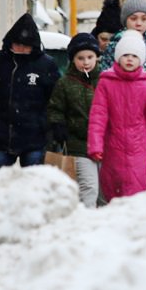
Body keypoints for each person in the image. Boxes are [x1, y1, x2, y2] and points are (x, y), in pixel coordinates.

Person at [87, 30, 146, 203]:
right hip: (112, 149)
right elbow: (98, 117)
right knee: (112, 192)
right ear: (118, 56)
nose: (129, 59)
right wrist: (95, 145)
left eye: (134, 56)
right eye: (125, 55)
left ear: (140, 59)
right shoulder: (106, 83)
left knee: (136, 194)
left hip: (139, 149)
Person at [0, 12, 60, 171]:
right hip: (2, 137)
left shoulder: (46, 65)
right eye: (17, 44)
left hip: (35, 138)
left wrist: (44, 126)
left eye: (26, 45)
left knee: (33, 186)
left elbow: (55, 99)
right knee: (1, 187)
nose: (21, 48)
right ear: (10, 42)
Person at [46, 33, 101, 207]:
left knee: (105, 191)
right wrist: (58, 126)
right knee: (89, 187)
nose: (86, 62)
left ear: (97, 57)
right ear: (73, 59)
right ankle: (86, 223)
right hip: (77, 145)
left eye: (90, 57)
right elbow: (55, 108)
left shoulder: (105, 81)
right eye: (80, 58)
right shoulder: (65, 84)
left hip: (104, 144)